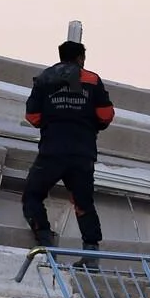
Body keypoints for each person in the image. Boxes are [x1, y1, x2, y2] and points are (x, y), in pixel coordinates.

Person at [22, 39, 116, 258]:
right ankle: (91, 255)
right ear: (81, 58)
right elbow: (106, 115)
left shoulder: (44, 78)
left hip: (52, 152)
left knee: (32, 196)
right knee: (84, 203)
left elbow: (32, 116)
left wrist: (52, 121)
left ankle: (45, 240)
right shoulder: (92, 80)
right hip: (82, 153)